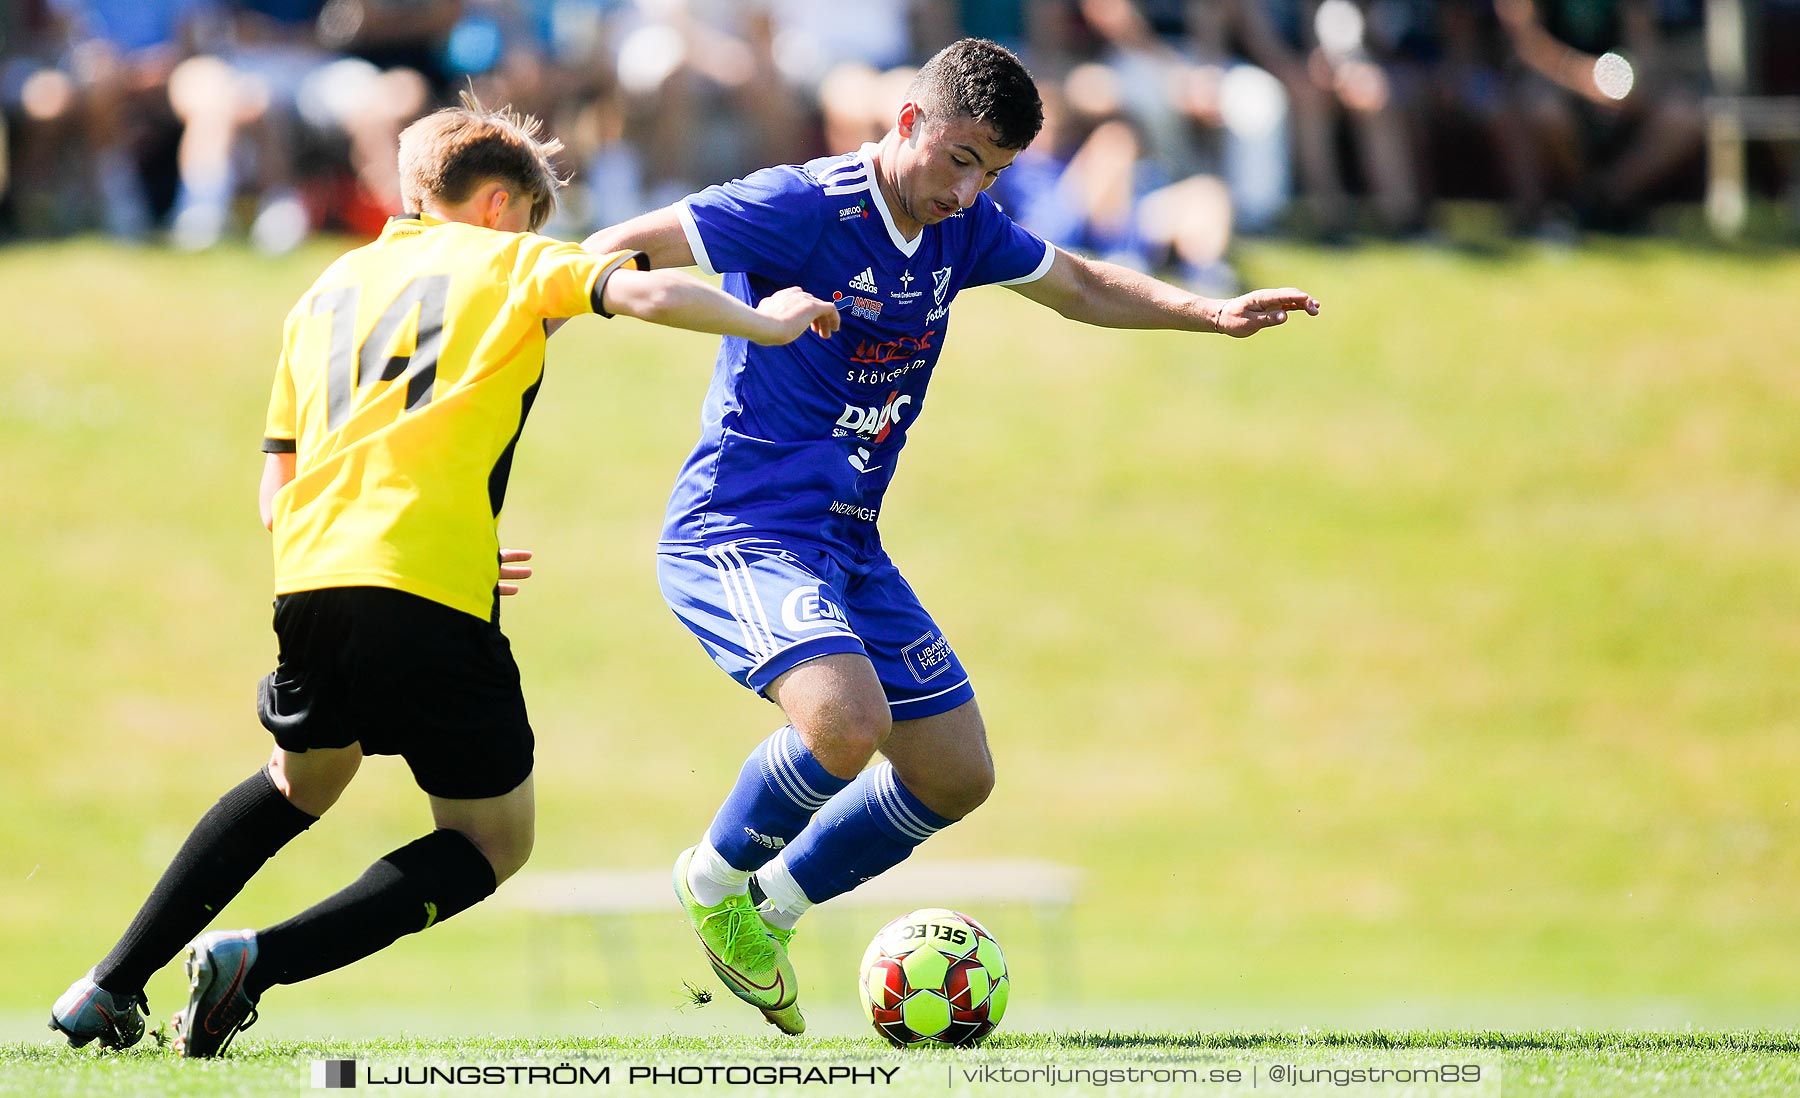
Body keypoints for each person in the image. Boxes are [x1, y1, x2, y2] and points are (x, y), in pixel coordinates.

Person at [48, 93, 839, 1058]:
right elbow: (645, 288)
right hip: (424, 591)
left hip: (310, 579)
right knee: (492, 842)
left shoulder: (326, 291)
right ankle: (258, 960)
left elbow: (275, 491)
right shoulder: (508, 258)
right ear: (502, 205)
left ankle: (106, 985)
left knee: (300, 781)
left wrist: (435, 537)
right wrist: (774, 322)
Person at [580, 36, 1318, 1034]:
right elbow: (607, 255)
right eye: (961, 159)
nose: (970, 189)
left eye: (996, 172)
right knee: (846, 724)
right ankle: (712, 882)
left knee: (955, 774)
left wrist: (1209, 311)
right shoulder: (803, 205)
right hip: (741, 524)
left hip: (848, 541)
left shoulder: (963, 232)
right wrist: (749, 321)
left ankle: (770, 911)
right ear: (910, 123)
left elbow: (1083, 286)